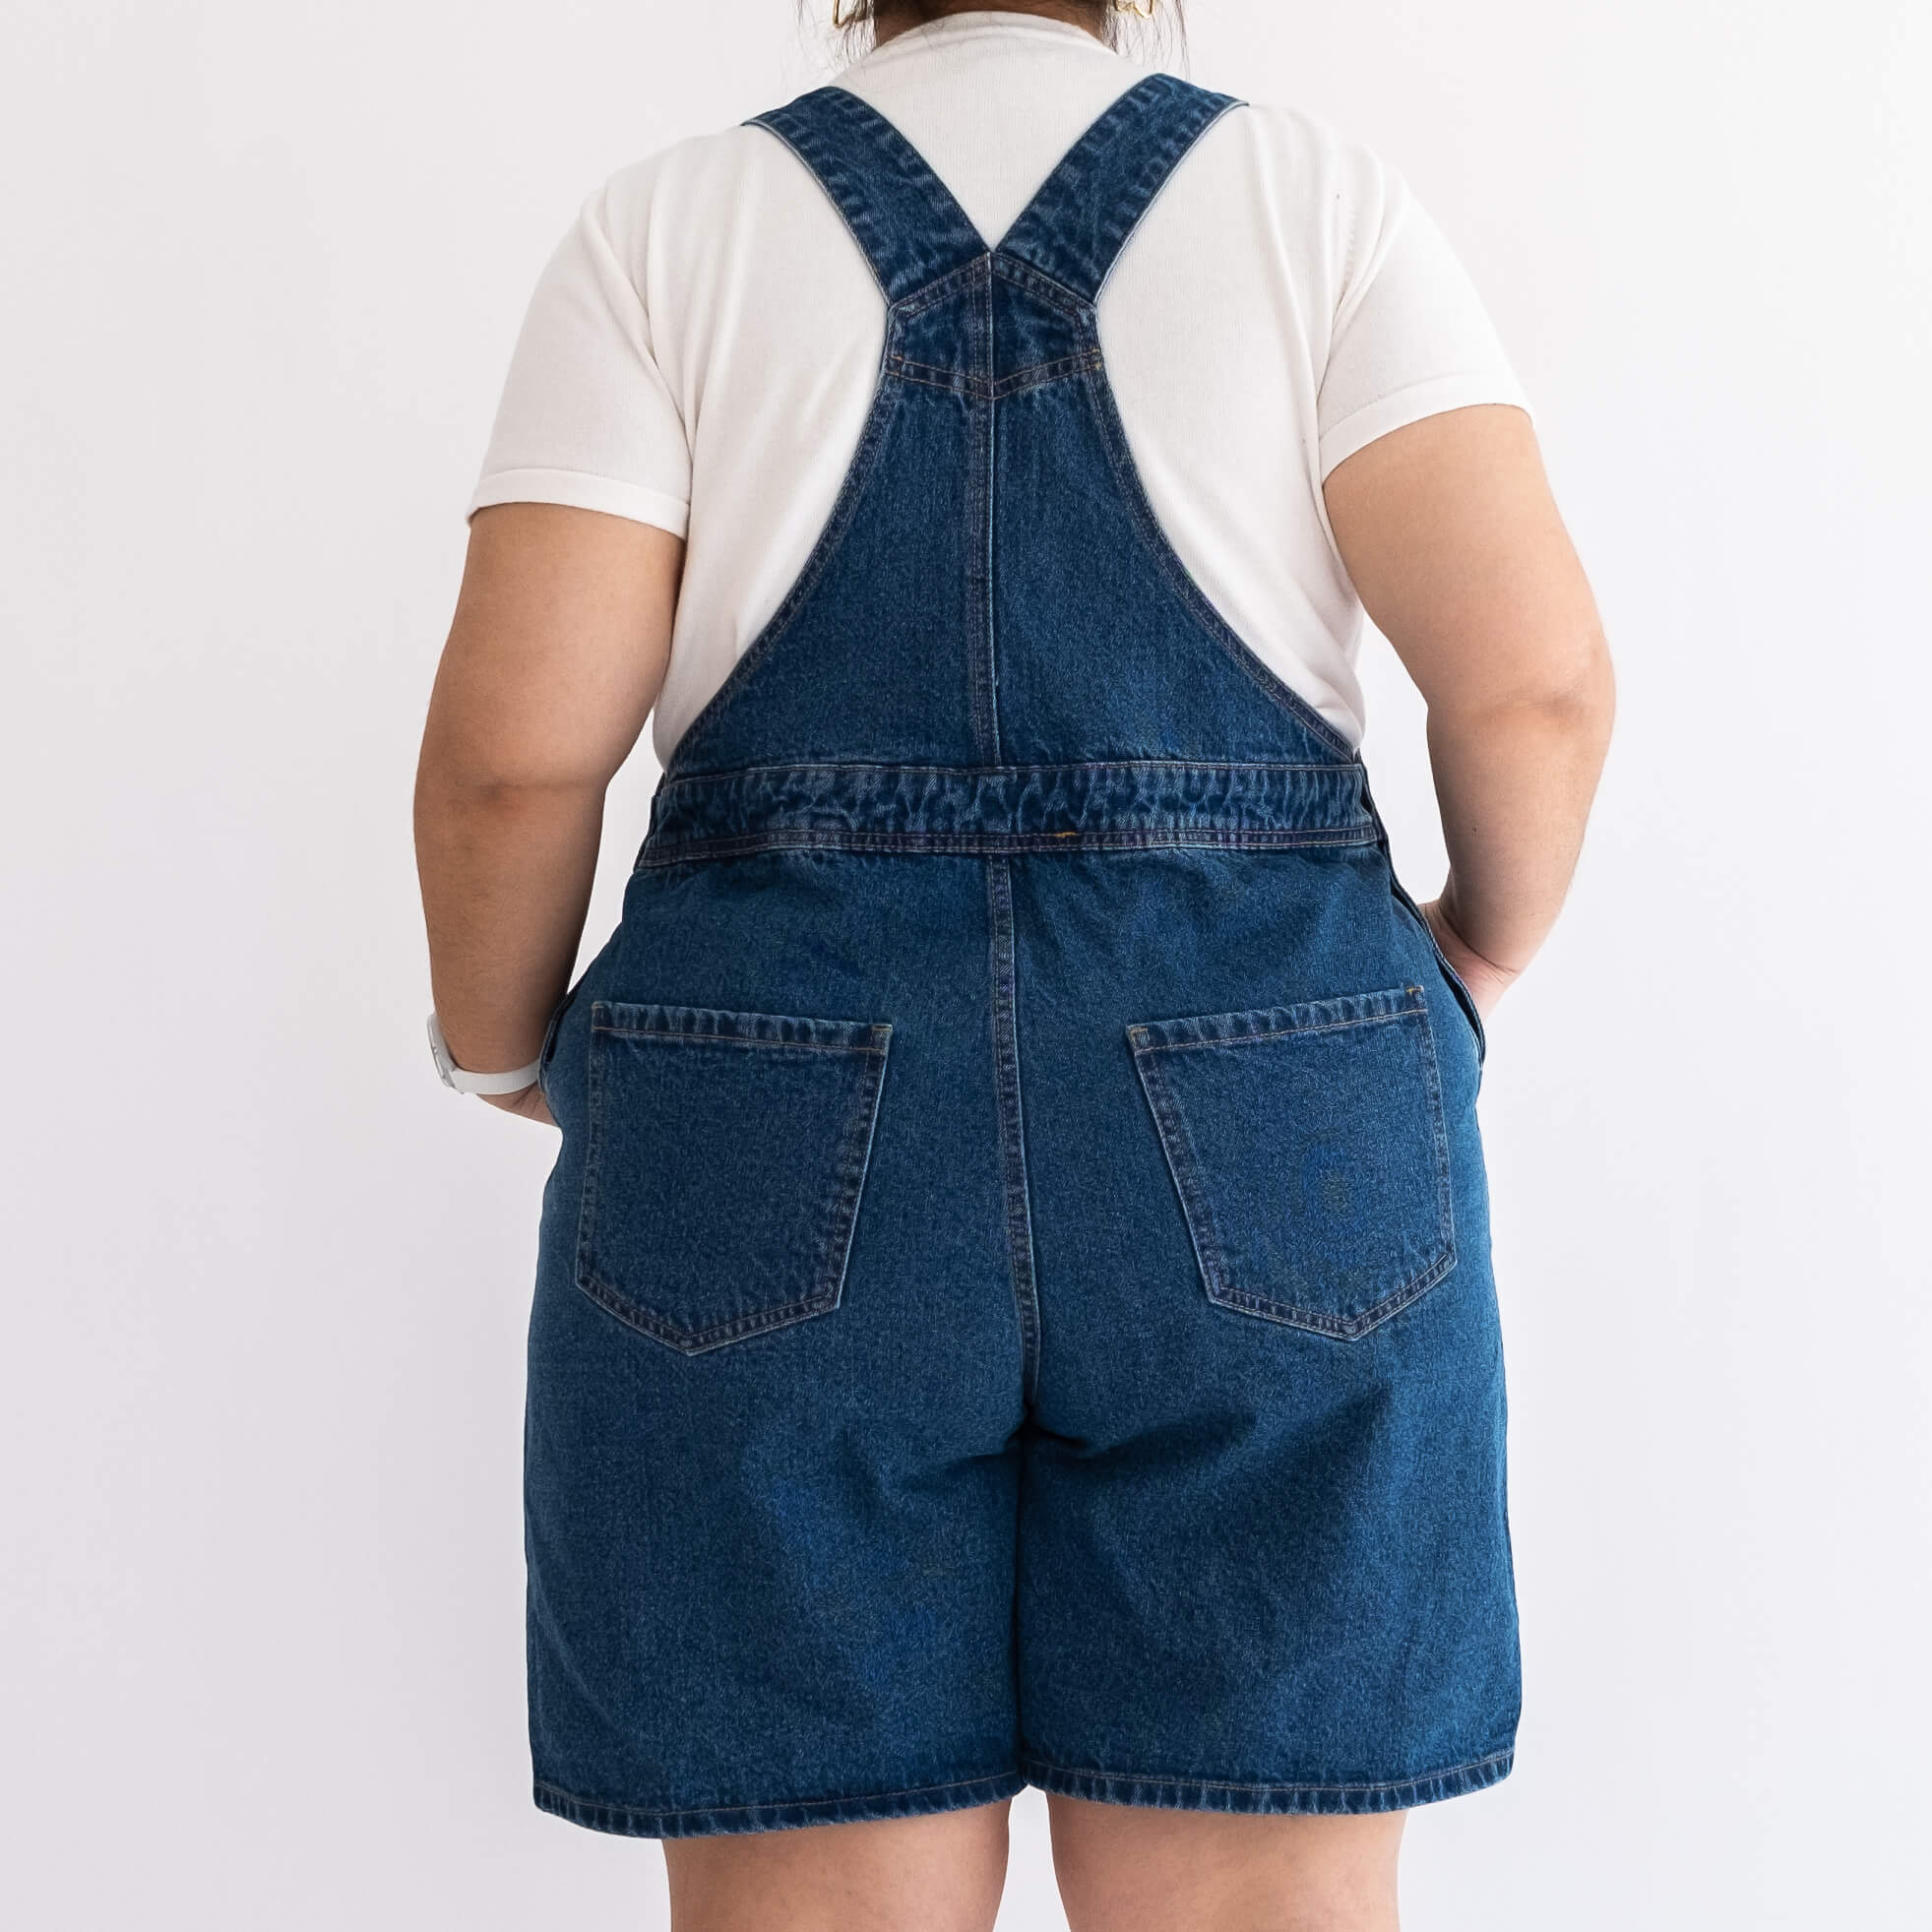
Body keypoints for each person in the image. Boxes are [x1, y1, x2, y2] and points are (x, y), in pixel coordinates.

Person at [413, 2, 1614, 1926]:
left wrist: (497, 1051)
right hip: (1272, 1102)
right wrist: (1473, 957)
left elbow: (509, 762)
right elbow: (1537, 685)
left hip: (770, 1118)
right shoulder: (1313, 204)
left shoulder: (665, 230)